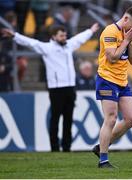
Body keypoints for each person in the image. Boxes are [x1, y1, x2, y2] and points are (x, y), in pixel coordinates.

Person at [1, 23, 99, 152]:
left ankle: (66, 147)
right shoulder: (47, 48)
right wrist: (14, 35)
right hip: (56, 89)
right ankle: (54, 148)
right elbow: (30, 42)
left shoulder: (69, 45)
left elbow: (80, 38)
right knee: (55, 119)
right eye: (61, 35)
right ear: (53, 37)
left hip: (70, 88)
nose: (64, 37)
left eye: (65, 35)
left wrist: (90, 30)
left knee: (68, 119)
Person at [93, 6, 132, 168]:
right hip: (106, 79)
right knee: (111, 118)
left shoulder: (129, 34)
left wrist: (129, 42)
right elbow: (113, 57)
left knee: (131, 119)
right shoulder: (110, 31)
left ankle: (100, 147)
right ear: (126, 19)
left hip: (122, 81)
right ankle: (103, 160)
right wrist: (126, 41)